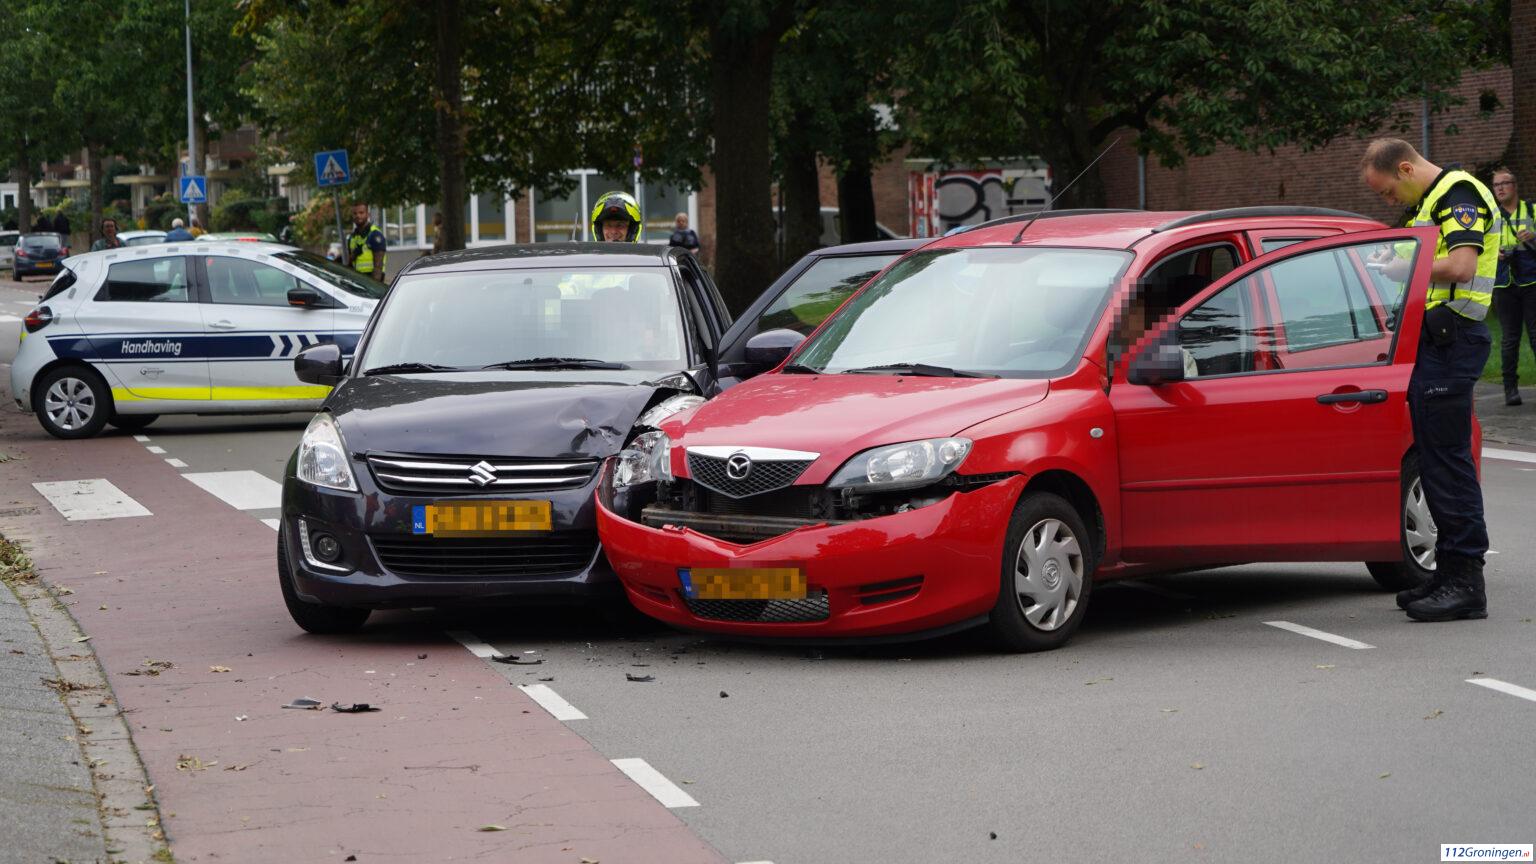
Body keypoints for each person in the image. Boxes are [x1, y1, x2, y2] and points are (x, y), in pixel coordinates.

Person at [1360, 138, 1499, 623]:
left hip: (1452, 341)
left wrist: (1406, 266)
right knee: (1436, 462)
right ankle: (1449, 573)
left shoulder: (1458, 194)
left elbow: (1461, 266)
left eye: (1387, 191)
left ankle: (1466, 583)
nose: (1389, 201)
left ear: (1404, 168)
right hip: (1435, 343)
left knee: (1448, 462)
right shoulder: (1427, 206)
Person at [1491, 168, 1536, 405]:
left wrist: (1533, 238)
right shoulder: (1491, 218)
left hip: (1531, 281)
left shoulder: (1532, 210)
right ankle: (1510, 389)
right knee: (1509, 338)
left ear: (1514, 185)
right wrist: (1494, 254)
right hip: (1504, 283)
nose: (1499, 188)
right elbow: (1480, 248)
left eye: (1504, 183)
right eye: (1496, 185)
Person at [347, 203, 388, 281]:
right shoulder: (352, 237)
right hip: (357, 280)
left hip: (371, 280)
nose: (358, 216)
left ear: (368, 215)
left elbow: (378, 266)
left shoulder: (375, 234)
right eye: (355, 213)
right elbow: (349, 263)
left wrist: (374, 285)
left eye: (361, 213)